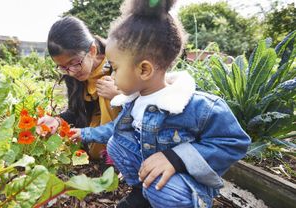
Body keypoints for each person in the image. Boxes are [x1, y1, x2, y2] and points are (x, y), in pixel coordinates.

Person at [70, 0, 251, 207]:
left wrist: (176, 158)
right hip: (156, 178)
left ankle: (167, 198)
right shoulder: (136, 100)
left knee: (164, 187)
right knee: (117, 143)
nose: (111, 74)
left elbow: (234, 142)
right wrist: (83, 133)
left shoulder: (198, 106)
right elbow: (115, 129)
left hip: (181, 187)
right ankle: (143, 192)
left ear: (144, 70)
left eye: (115, 68)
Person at [46, 16, 121, 159]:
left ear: (92, 50)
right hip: (95, 132)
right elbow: (74, 111)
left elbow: (147, 98)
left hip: (126, 130)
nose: (71, 72)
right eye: (63, 67)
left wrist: (120, 95)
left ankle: (116, 152)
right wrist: (57, 120)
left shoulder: (119, 60)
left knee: (106, 84)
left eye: (74, 63)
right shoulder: (71, 72)